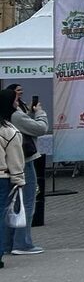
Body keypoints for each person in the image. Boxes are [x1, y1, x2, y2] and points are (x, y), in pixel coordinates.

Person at [4, 85, 47, 256]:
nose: (18, 100)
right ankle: (22, 243)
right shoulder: (15, 115)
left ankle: (8, 242)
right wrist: (40, 113)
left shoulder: (5, 116)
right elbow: (40, 128)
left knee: (9, 204)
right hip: (23, 161)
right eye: (15, 97)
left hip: (7, 164)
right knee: (26, 202)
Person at [1, 88, 29, 269]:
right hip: (3, 177)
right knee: (1, 216)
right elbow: (15, 159)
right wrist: (19, 180)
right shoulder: (9, 131)